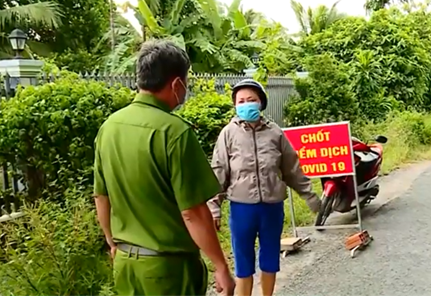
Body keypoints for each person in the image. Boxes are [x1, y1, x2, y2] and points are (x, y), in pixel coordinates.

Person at [93, 40, 235, 296]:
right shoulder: (175, 132)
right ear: (176, 84)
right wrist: (220, 265)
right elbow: (192, 212)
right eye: (186, 81)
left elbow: (101, 197)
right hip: (169, 270)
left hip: (126, 266)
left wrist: (112, 243)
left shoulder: (109, 127)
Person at [208, 79, 321, 296]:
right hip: (242, 209)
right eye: (241, 101)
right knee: (243, 262)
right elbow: (219, 171)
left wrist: (310, 196)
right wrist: (214, 207)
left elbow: (292, 169)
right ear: (235, 105)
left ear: (261, 103)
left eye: (251, 100)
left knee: (269, 259)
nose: (246, 104)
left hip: (271, 208)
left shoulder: (275, 133)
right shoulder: (228, 134)